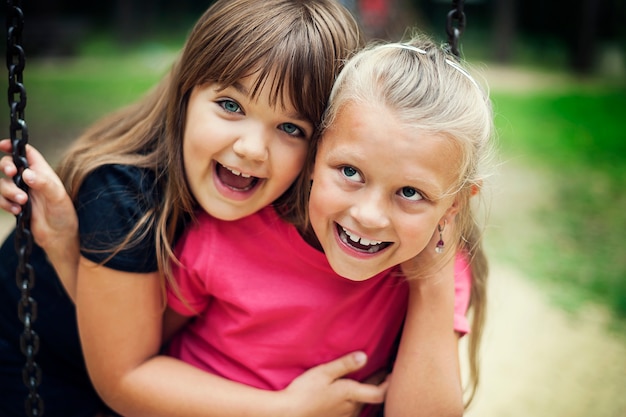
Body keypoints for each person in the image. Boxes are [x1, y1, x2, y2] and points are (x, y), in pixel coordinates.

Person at [0, 1, 373, 416]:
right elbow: (126, 375)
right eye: (231, 106)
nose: (251, 149)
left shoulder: (288, 201)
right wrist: (284, 410)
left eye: (290, 128)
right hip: (40, 372)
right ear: (187, 93)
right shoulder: (124, 195)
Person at [162, 34, 493, 417]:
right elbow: (144, 362)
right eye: (350, 172)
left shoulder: (434, 270)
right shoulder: (230, 230)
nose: (369, 215)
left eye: (410, 192)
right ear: (315, 154)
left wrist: (431, 282)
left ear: (453, 205)